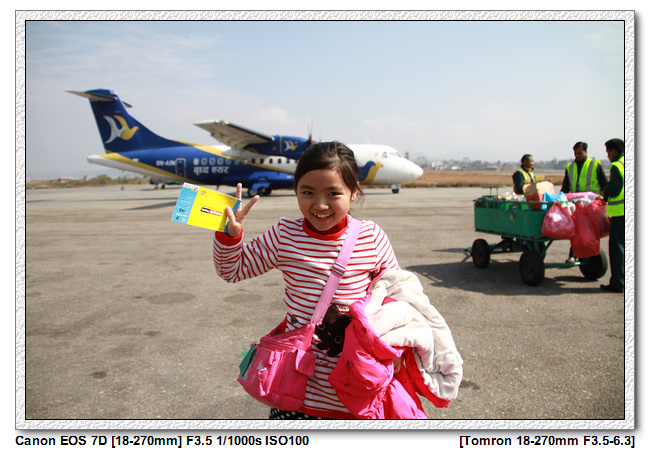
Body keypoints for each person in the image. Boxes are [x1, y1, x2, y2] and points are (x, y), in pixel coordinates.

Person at [211, 142, 400, 419]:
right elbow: (233, 270)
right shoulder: (285, 234)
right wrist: (230, 235)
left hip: (356, 390)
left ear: (353, 192)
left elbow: (398, 297)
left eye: (333, 193)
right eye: (307, 192)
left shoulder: (370, 236)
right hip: (296, 391)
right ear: (296, 190)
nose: (320, 205)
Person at [560, 141, 609, 263]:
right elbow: (565, 186)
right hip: (575, 206)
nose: (577, 156)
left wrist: (605, 198)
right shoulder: (570, 167)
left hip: (591, 205)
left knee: (591, 231)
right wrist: (559, 199)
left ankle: (591, 255)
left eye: (580, 153)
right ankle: (574, 254)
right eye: (575, 153)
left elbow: (604, 184)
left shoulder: (594, 165)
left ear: (586, 152)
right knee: (576, 230)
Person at [600, 138, 625, 293]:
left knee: (617, 248)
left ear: (614, 151)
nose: (608, 156)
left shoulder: (617, 165)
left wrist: (606, 191)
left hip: (621, 213)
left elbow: (615, 188)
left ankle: (618, 282)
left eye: (608, 152)